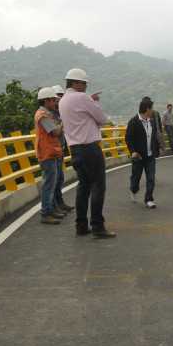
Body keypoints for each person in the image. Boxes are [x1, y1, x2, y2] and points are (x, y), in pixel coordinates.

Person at [58, 68, 116, 238]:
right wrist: (95, 102)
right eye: (83, 83)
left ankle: (81, 225)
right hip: (90, 148)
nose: (85, 86)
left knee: (83, 186)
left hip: (74, 149)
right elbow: (102, 119)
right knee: (98, 186)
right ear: (75, 83)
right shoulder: (82, 98)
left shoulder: (63, 101)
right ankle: (98, 226)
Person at [34, 87, 65, 225]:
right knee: (49, 184)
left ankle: (51, 209)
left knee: (52, 183)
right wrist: (63, 123)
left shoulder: (47, 113)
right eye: (53, 100)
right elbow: (55, 132)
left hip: (52, 151)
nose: (54, 103)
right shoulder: (43, 115)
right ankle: (46, 213)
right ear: (46, 101)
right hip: (47, 152)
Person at [125, 97, 161, 208]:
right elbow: (128, 138)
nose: (153, 111)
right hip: (138, 156)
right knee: (136, 178)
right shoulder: (134, 121)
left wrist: (157, 148)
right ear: (147, 109)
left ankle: (149, 199)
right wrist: (133, 151)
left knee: (151, 178)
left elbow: (154, 137)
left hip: (150, 156)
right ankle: (133, 189)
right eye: (152, 109)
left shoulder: (152, 121)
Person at [51, 85, 74, 214]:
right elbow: (56, 131)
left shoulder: (60, 112)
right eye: (57, 97)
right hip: (52, 151)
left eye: (61, 96)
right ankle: (54, 206)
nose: (59, 99)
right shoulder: (50, 114)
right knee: (54, 179)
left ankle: (59, 203)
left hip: (60, 149)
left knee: (59, 178)